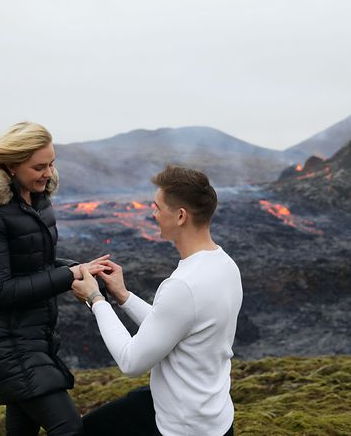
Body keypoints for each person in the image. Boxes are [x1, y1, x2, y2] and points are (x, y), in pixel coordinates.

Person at [0, 121, 108, 436]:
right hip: (5, 341)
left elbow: (36, 264)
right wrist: (66, 276)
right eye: (39, 167)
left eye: (51, 164)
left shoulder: (37, 202)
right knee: (69, 428)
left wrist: (81, 268)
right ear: (11, 166)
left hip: (32, 335)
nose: (48, 173)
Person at [71, 164, 243, 436]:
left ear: (181, 216)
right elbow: (175, 324)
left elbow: (131, 362)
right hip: (213, 416)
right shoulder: (226, 265)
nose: (152, 214)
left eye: (157, 207)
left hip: (183, 427)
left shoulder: (182, 285)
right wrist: (124, 296)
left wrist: (95, 299)